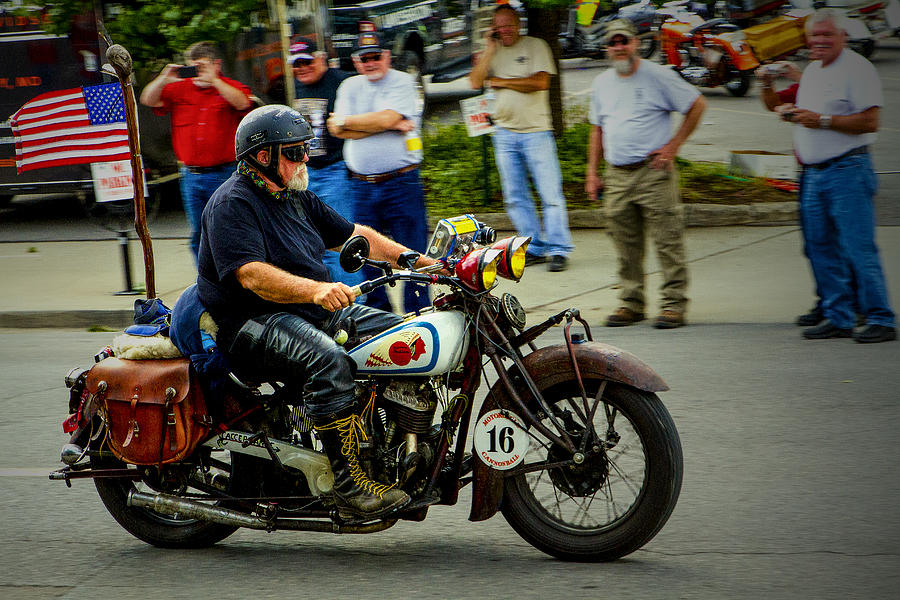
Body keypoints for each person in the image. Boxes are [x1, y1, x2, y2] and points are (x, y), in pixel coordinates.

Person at [198, 105, 441, 520]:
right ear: (263, 157)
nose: (305, 159)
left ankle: (401, 445)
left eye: (306, 149)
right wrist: (318, 289)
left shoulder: (295, 196)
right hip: (248, 320)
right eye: (294, 151)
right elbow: (252, 276)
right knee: (328, 361)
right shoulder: (232, 204)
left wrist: (420, 263)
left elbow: (356, 235)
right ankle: (348, 487)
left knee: (412, 335)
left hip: (304, 308)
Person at [774, 9, 895, 343]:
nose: (820, 40)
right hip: (814, 173)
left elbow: (870, 122)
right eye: (815, 35)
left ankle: (881, 318)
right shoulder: (813, 69)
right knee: (820, 248)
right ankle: (838, 316)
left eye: (828, 34)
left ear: (844, 36)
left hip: (847, 170)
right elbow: (811, 114)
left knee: (858, 248)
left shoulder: (857, 69)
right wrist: (795, 115)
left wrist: (822, 121)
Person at [585, 19, 706, 329]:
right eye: (613, 42)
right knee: (625, 243)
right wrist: (592, 173)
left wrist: (672, 148)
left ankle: (673, 304)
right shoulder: (602, 83)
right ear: (607, 48)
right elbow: (597, 129)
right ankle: (631, 302)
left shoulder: (658, 76)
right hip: (617, 174)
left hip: (653, 172)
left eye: (624, 40)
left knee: (668, 239)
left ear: (636, 43)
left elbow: (696, 104)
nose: (619, 47)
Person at [327, 29, 429, 315]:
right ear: (356, 61)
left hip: (402, 182)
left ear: (387, 56)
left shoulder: (403, 82)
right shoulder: (349, 86)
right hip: (361, 186)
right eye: (364, 58)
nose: (370, 62)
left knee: (411, 254)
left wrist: (353, 124)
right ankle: (380, 317)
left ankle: (419, 315)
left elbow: (385, 118)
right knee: (365, 255)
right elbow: (336, 129)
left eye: (376, 56)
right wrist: (385, 123)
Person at [468, 4, 574, 272]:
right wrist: (489, 50)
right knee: (515, 197)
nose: (505, 31)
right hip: (504, 134)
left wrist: (502, 81)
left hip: (536, 131)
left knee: (550, 193)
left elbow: (539, 83)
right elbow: (474, 81)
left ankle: (559, 248)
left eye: (509, 25)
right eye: (499, 26)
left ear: (519, 23)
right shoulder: (493, 51)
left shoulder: (535, 46)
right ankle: (535, 246)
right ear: (494, 28)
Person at [140, 41, 253, 264]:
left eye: (202, 66)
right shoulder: (180, 89)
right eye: (193, 67)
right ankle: (206, 280)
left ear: (216, 64)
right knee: (198, 233)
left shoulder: (228, 86)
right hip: (191, 175)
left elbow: (242, 103)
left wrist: (215, 81)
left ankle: (235, 275)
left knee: (228, 228)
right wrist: (165, 76)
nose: (197, 72)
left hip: (225, 173)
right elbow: (147, 99)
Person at [289, 37, 363, 291]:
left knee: (341, 242)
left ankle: (355, 302)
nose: (301, 68)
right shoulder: (292, 87)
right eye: (296, 64)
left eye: (306, 61)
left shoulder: (342, 82)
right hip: (304, 173)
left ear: (320, 59)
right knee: (312, 245)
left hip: (335, 171)